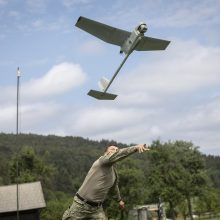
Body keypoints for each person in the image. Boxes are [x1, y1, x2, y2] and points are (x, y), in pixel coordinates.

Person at [62, 144, 149, 220]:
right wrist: (135, 148)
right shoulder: (102, 161)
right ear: (105, 153)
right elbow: (119, 154)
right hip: (80, 206)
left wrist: (119, 200)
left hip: (96, 209)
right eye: (112, 149)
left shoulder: (113, 173)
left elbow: (114, 188)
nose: (115, 151)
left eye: (116, 150)